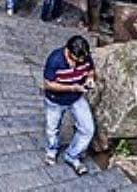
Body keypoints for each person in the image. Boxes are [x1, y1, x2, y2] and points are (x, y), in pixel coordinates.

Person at [42, 35, 96, 176]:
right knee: (52, 128)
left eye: (80, 61)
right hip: (55, 100)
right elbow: (48, 84)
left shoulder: (85, 56)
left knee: (87, 129)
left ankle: (72, 155)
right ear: (68, 51)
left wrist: (90, 79)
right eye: (74, 60)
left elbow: (90, 70)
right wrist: (72, 88)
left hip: (76, 98)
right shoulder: (55, 59)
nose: (77, 63)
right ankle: (52, 150)